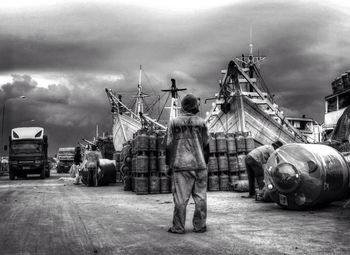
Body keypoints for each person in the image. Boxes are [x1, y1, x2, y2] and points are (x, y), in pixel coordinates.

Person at [166, 94, 209, 234]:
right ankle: (200, 226)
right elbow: (206, 145)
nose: (198, 106)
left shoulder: (174, 123)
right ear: (190, 105)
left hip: (181, 165)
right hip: (199, 165)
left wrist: (168, 165)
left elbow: (168, 145)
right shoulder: (202, 123)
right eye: (197, 103)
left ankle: (178, 227)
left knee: (180, 199)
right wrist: (205, 163)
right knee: (200, 197)